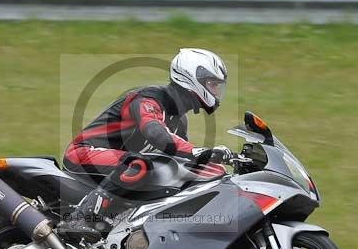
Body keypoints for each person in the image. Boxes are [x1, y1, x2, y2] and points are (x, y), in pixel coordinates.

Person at [60, 48, 232, 237]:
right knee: (139, 164)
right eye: (212, 84)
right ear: (192, 78)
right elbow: (156, 134)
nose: (216, 91)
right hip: (84, 153)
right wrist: (199, 151)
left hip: (116, 169)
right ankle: (79, 219)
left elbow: (184, 163)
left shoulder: (179, 121)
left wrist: (224, 172)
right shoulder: (148, 98)